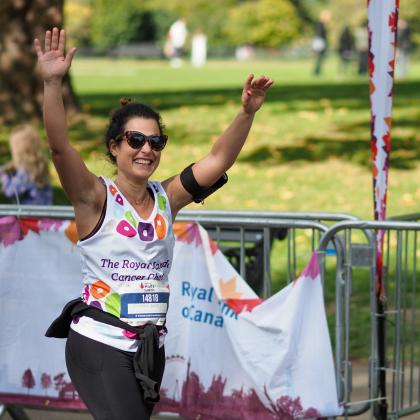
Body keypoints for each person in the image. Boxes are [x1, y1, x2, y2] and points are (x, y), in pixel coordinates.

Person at [34, 28, 273, 420]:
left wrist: (246, 112)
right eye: (135, 140)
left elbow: (218, 160)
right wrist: (53, 83)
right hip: (99, 342)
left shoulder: (168, 197)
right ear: (115, 147)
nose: (146, 149)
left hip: (148, 348)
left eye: (155, 142)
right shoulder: (94, 197)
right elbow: (60, 146)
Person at [0, 124, 52, 205]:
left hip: (31, 215)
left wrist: (4, 176)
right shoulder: (38, 164)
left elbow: (10, 191)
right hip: (44, 213)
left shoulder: (26, 170)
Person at [312, 10, 331, 76]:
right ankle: (317, 72)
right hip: (320, 42)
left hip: (320, 42)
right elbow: (320, 35)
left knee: (320, 58)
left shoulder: (321, 24)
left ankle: (317, 71)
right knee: (320, 57)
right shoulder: (320, 24)